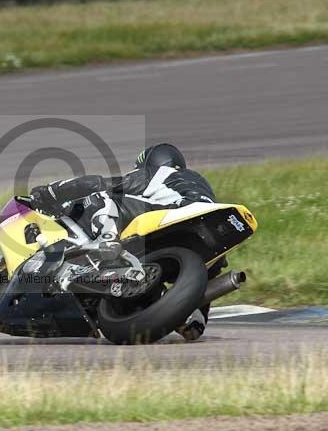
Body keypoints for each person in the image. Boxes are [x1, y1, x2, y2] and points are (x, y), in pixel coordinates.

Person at [29, 143, 220, 340]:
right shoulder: (198, 184)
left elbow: (99, 184)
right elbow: (202, 274)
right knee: (211, 266)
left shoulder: (159, 173)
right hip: (204, 235)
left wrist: (52, 191)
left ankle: (108, 240)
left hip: (174, 213)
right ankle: (195, 319)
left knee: (103, 197)